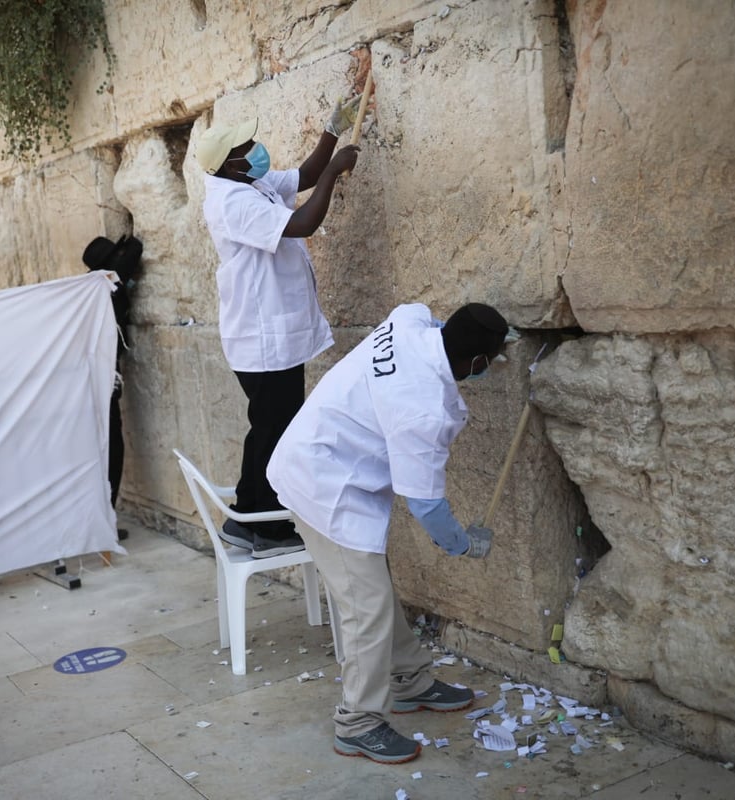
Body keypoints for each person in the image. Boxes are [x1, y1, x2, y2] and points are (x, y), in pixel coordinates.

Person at [267, 301, 511, 764]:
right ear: (476, 363)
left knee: (373, 594)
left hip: (318, 454)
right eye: (491, 362)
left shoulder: (409, 322)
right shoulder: (422, 412)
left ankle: (409, 680)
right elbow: (425, 504)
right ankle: (357, 723)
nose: (490, 369)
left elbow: (419, 312)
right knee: (368, 606)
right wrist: (462, 543)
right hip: (322, 486)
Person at [194, 97, 362, 559]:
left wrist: (332, 129)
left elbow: (303, 177)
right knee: (276, 429)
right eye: (245, 147)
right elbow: (305, 221)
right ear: (226, 165)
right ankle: (265, 527)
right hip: (261, 338)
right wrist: (336, 172)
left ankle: (243, 519)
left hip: (272, 334)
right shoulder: (232, 203)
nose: (255, 149)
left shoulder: (249, 180)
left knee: (267, 426)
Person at [83, 233, 144, 539]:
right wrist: (120, 248)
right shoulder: (109, 285)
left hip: (94, 378)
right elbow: (135, 247)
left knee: (105, 445)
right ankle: (104, 518)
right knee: (112, 447)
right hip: (105, 379)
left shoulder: (89, 290)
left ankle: (103, 515)